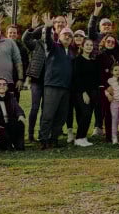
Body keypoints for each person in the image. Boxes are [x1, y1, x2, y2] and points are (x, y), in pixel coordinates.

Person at [39, 14, 74, 149]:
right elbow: (47, 40)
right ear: (59, 36)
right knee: (48, 114)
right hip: (52, 86)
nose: (67, 37)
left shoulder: (70, 52)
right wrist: (48, 28)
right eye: (65, 35)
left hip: (65, 87)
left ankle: (54, 139)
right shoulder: (53, 47)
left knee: (61, 116)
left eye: (69, 36)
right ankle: (43, 140)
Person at [72, 37, 100, 147]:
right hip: (81, 92)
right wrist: (83, 92)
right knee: (86, 113)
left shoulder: (94, 61)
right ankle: (78, 138)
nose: (89, 47)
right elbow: (77, 77)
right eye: (87, 45)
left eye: (91, 45)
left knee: (88, 115)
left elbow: (96, 78)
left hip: (93, 92)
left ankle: (83, 137)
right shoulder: (77, 60)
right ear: (82, 46)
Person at [0, 78, 26, 151]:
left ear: (7, 87)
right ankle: (7, 145)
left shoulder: (11, 98)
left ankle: (19, 145)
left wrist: (21, 115)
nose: (2, 86)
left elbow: (18, 109)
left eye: (4, 84)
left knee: (19, 124)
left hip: (9, 124)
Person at [0, 17, 24, 99]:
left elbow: (18, 61)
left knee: (11, 109)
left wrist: (20, 79)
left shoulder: (10, 42)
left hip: (9, 83)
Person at [22, 15, 46, 142]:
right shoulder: (36, 44)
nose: (45, 34)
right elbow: (25, 39)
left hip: (48, 81)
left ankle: (42, 134)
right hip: (37, 80)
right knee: (35, 107)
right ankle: (31, 134)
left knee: (45, 109)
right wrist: (32, 28)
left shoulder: (54, 46)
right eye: (43, 32)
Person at [105, 64, 119, 144]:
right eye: (116, 70)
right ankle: (114, 138)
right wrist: (108, 95)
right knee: (114, 120)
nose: (118, 72)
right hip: (114, 103)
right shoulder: (110, 80)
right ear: (112, 71)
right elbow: (106, 90)